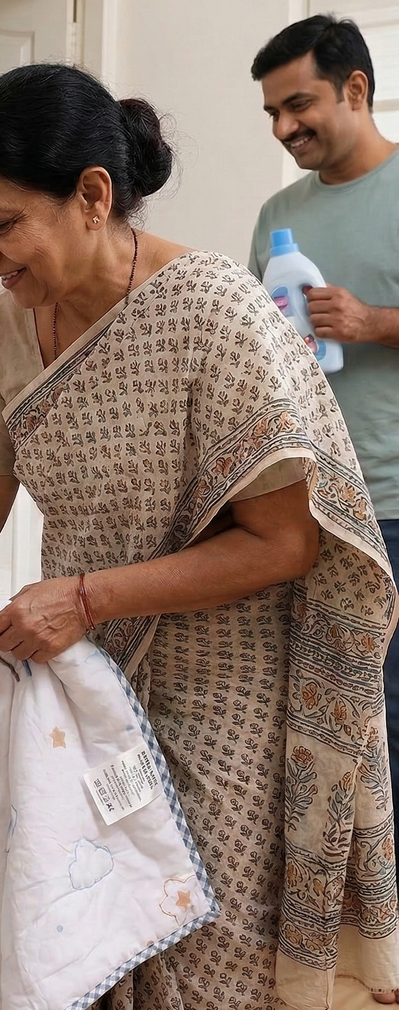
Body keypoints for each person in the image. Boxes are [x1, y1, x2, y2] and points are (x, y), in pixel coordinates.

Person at [0, 64, 399, 1008]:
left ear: (93, 195)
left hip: (225, 697)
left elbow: (283, 545)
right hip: (88, 689)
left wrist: (88, 597)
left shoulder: (214, 312)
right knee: (92, 940)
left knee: (208, 957)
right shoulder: (4, 332)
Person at [248, 12, 399, 934]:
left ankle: (386, 933)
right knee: (314, 718)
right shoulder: (279, 217)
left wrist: (374, 324)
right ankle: (338, 914)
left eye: (298, 104)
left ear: (355, 88)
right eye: (271, 112)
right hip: (307, 508)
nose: (284, 127)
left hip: (394, 500)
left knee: (389, 714)